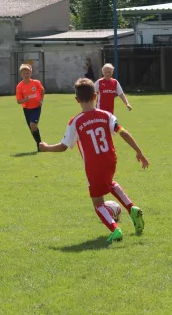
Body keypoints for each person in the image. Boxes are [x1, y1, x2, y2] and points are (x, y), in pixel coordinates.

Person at [39, 78, 149, 243]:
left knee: (98, 203)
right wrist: (139, 152)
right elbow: (123, 133)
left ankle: (115, 228)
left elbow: (63, 147)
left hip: (93, 165)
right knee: (109, 182)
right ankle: (131, 207)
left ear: (77, 100)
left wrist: (46, 147)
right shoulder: (106, 115)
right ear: (96, 96)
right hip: (110, 160)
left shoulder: (76, 121)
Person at [16, 63, 45, 151]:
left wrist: (41, 100)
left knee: (33, 125)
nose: (26, 75)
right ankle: (39, 144)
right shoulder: (19, 86)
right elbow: (18, 101)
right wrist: (25, 100)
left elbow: (42, 90)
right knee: (32, 128)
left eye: (27, 73)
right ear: (21, 74)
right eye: (24, 73)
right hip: (27, 109)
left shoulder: (36, 83)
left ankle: (40, 145)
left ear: (30, 73)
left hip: (36, 107)